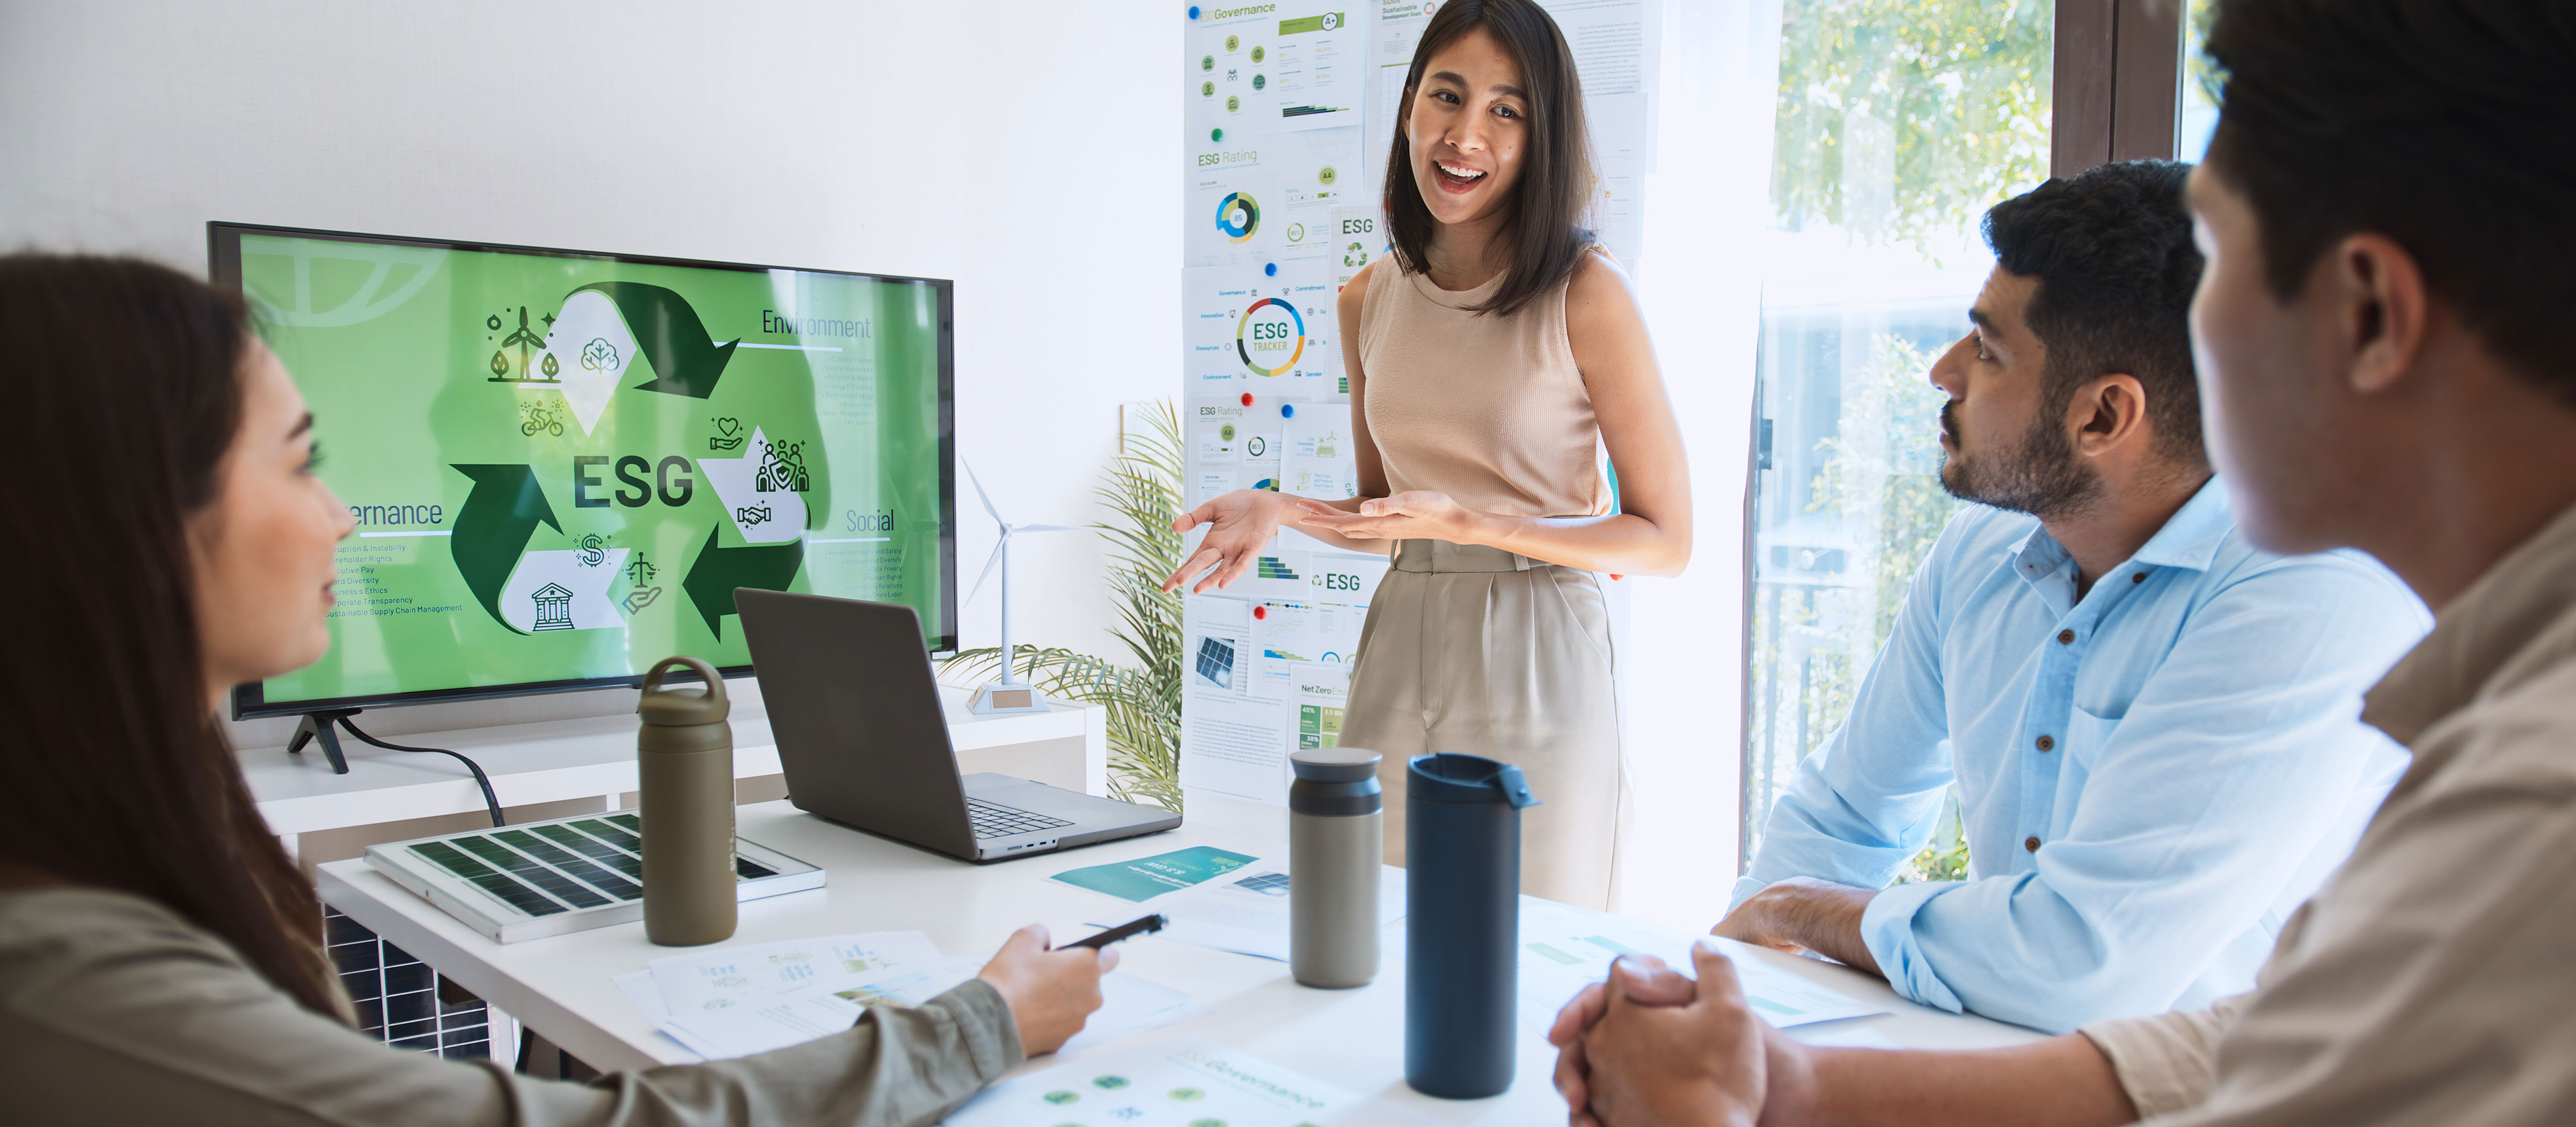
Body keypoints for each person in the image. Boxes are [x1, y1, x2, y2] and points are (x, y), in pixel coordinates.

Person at [1552, 0, 2576, 1123]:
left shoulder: (2531, 796)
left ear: (2369, 313)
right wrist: (1769, 1073)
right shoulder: (2501, 714)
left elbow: (2108, 978)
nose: (2196, 320)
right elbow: (2253, 1042)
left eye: (2224, 258)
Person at [0, 254, 1117, 1125]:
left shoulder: (128, 843)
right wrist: (981, 1024)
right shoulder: (71, 983)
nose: (340, 514)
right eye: (298, 462)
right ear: (128, 523)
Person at [1717, 160, 2425, 1033]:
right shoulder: (1983, 551)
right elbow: (1845, 816)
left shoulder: (2319, 591)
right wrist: (1725, 987)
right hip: (2007, 1067)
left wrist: (1801, 910)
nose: (1943, 372)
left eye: (1986, 349)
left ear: (2102, 417)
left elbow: (2082, 962)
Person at [1162, 0, 1692, 910]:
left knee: (1533, 956)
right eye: (1447, 96)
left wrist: (1476, 521)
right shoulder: (1366, 298)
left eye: (1506, 109)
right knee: (1375, 939)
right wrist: (1282, 508)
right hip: (1400, 644)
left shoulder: (1588, 294)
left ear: (1542, 135)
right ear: (1409, 105)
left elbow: (1665, 539)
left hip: (1539, 647)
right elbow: (1386, 520)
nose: (1465, 134)